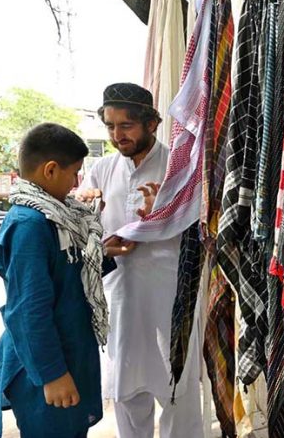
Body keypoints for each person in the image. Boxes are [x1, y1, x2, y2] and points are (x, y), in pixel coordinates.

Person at [0, 123, 126, 438]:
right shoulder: (30, 225)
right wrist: (52, 375)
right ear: (50, 170)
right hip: (47, 366)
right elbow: (28, 310)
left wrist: (100, 254)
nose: (77, 183)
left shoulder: (57, 217)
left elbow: (64, 277)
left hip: (68, 355)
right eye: (74, 173)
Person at [78, 83, 203, 438]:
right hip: (121, 296)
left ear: (151, 123)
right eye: (110, 126)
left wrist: (163, 214)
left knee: (177, 391)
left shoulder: (179, 166)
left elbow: (201, 228)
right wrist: (101, 241)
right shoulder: (101, 169)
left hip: (171, 297)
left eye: (126, 126)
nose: (117, 135)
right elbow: (86, 235)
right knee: (127, 389)